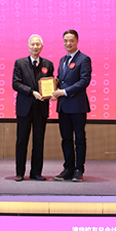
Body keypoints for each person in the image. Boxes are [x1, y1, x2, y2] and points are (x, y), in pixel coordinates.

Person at [11, 35, 54, 181]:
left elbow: (50, 83)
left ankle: (36, 172)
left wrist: (52, 93)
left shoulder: (48, 64)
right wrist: (32, 92)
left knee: (38, 141)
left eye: (38, 44)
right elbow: (16, 83)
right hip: (25, 108)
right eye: (32, 44)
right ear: (28, 46)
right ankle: (20, 172)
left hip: (41, 108)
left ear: (42, 47)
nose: (35, 47)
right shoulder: (20, 63)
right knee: (22, 141)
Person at [50, 30, 91, 181]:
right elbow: (61, 79)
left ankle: (79, 169)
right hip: (63, 107)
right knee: (66, 139)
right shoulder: (62, 60)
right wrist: (53, 88)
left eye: (71, 40)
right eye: (66, 40)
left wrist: (64, 92)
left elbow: (84, 81)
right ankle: (68, 168)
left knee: (79, 139)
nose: (68, 43)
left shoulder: (84, 59)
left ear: (77, 41)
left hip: (77, 106)